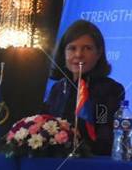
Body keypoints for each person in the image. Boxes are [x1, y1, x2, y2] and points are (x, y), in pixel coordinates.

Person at [43, 20, 124, 156]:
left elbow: (104, 136)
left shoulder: (110, 89)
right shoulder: (57, 88)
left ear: (98, 53)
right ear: (63, 53)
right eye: (72, 48)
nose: (78, 54)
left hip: (90, 161)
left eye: (87, 48)